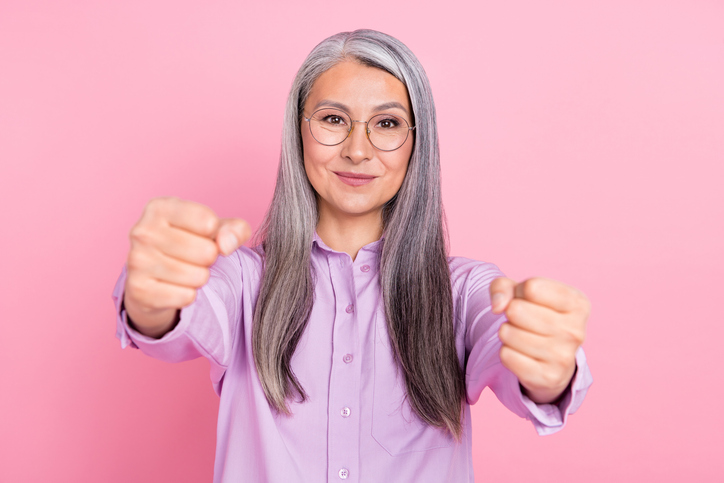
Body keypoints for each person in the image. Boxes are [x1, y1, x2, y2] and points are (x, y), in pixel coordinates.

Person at [112, 29, 593, 483]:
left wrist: (546, 368)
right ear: (299, 132)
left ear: (416, 144)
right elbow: (170, 321)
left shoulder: (464, 293)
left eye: (386, 123)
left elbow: (516, 359)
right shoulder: (242, 281)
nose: (358, 150)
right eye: (333, 120)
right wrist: (152, 298)